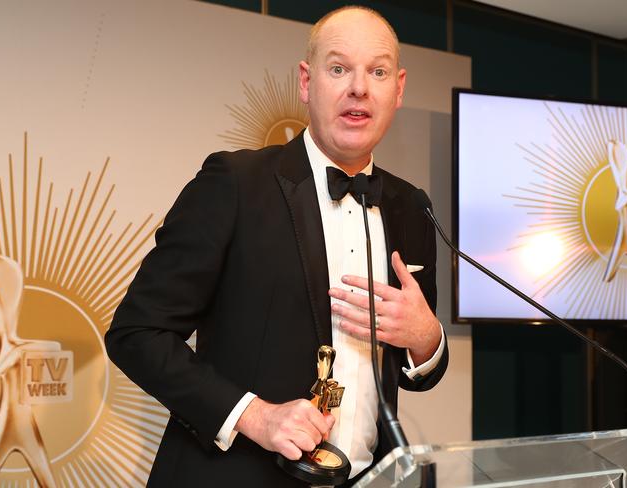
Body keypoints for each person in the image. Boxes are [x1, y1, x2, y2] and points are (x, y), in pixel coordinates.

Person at [105, 6, 448, 487]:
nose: (359, 88)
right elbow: (136, 334)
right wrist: (254, 416)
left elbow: (420, 372)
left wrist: (426, 338)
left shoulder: (413, 207)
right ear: (307, 83)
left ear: (399, 88)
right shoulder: (234, 183)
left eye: (378, 71)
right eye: (338, 68)